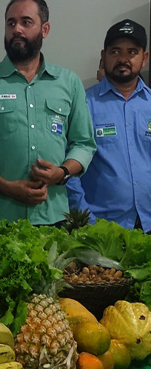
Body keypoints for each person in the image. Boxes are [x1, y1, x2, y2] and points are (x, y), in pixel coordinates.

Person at [0, 0, 95, 238]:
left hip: (52, 217)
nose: (16, 29)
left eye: (26, 22)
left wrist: (62, 172)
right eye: (11, 23)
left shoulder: (68, 82)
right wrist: (7, 187)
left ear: (44, 29)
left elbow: (84, 144)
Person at [68, 19, 151, 231]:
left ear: (144, 58)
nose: (123, 59)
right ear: (103, 56)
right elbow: (70, 168)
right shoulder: (84, 104)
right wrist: (87, 220)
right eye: (115, 52)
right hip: (101, 228)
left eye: (132, 52)